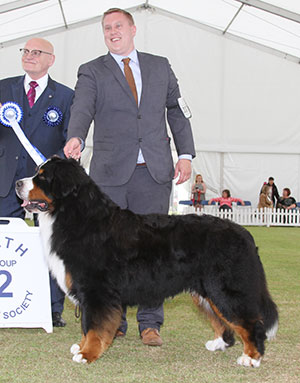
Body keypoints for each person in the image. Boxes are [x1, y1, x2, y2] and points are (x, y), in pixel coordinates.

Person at [64, 8, 195, 346]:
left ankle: (150, 323)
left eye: (118, 26)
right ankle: (113, 320)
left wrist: (185, 154)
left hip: (153, 172)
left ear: (133, 29)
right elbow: (82, 106)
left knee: (152, 250)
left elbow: (177, 111)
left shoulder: (160, 66)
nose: (112, 31)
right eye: (106, 28)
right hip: (109, 176)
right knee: (108, 252)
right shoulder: (92, 70)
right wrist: (75, 135)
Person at [0, 37, 74, 327]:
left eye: (36, 52)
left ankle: (53, 309)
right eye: (25, 51)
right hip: (6, 182)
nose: (29, 56)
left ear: (51, 59)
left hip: (45, 189)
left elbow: (71, 141)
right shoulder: (3, 88)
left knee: (52, 247)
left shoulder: (67, 96)